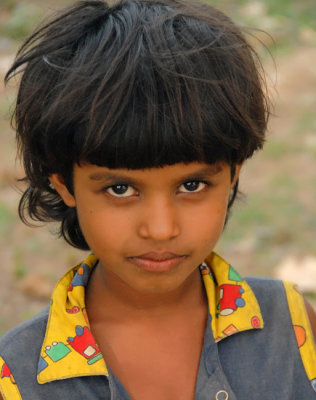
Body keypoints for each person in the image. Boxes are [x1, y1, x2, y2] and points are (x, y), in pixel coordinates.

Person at [1, 0, 315, 398]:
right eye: (120, 189)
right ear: (63, 183)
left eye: (192, 185)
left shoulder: (289, 325)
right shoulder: (17, 375)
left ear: (234, 172)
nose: (161, 228)